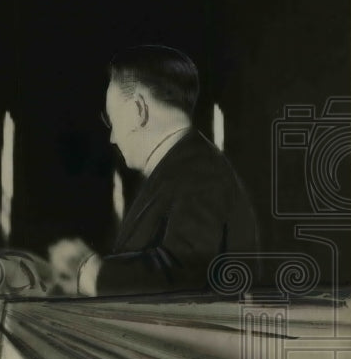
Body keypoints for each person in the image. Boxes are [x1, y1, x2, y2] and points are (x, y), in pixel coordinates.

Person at [63, 44, 258, 296]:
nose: (112, 137)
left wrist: (94, 275)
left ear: (138, 110)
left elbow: (187, 269)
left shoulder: (199, 172)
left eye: (112, 120)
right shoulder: (187, 166)